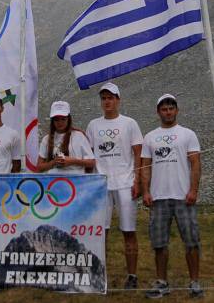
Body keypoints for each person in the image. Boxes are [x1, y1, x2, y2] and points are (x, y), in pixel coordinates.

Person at [141, 94, 203, 299]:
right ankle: (162, 282)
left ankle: (194, 283)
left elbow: (195, 164)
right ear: (158, 112)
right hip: (158, 197)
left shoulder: (188, 134)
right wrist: (146, 191)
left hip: (183, 196)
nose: (168, 112)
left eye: (171, 108)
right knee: (159, 243)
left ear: (177, 110)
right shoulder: (149, 137)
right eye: (164, 109)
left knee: (192, 241)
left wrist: (193, 190)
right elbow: (145, 167)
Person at [85, 82, 143, 289]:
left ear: (118, 100)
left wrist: (138, 180)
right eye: (104, 98)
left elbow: (138, 153)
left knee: (129, 231)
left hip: (125, 184)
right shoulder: (93, 125)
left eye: (111, 98)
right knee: (101, 233)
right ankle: (100, 275)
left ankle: (133, 276)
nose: (107, 101)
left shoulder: (129, 123)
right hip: (101, 185)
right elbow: (89, 155)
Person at [36, 101, 95, 173]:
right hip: (54, 181)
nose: (60, 122)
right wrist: (53, 162)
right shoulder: (46, 139)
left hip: (76, 182)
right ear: (52, 121)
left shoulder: (79, 136)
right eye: (56, 119)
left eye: (63, 119)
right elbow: (39, 167)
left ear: (68, 119)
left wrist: (72, 161)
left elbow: (91, 162)